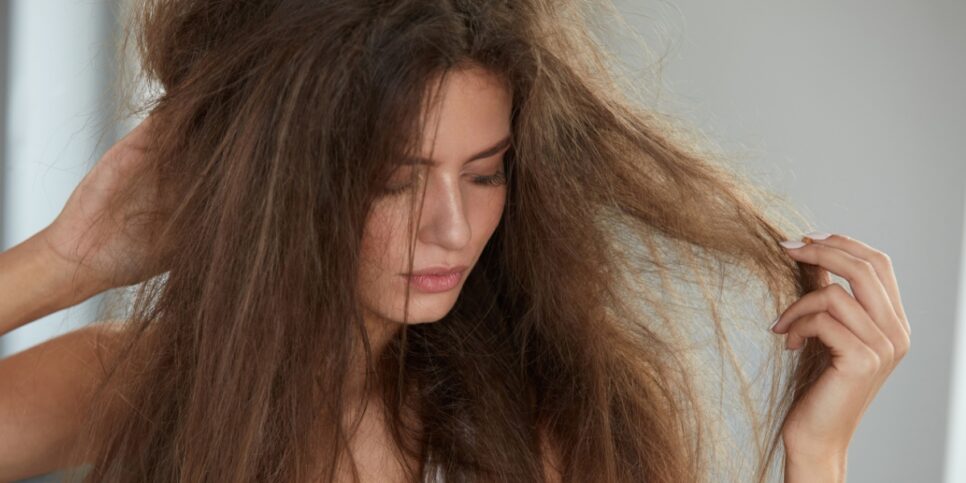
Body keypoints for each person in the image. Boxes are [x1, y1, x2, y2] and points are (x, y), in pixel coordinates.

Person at [0, 0, 910, 481]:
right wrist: (63, 261)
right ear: (282, 187)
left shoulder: (536, 429)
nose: (452, 225)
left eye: (485, 173)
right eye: (393, 178)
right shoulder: (138, 385)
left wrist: (819, 457)